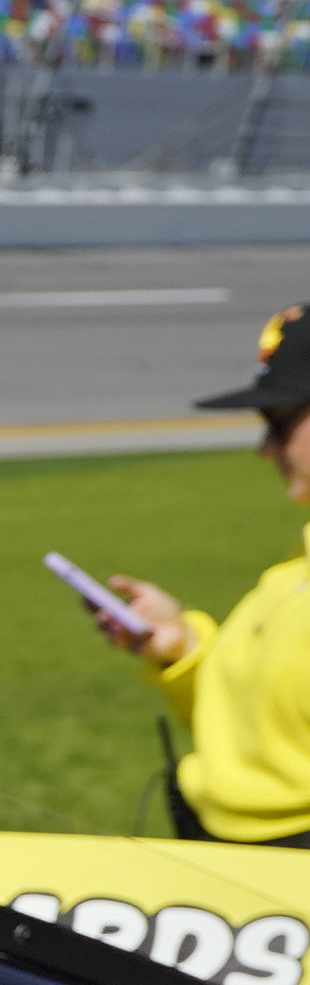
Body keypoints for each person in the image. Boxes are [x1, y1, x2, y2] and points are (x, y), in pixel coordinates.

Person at [88, 303, 310, 845]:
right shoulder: (290, 575)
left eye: (281, 424)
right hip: (233, 883)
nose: (265, 450)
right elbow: (260, 735)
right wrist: (182, 649)